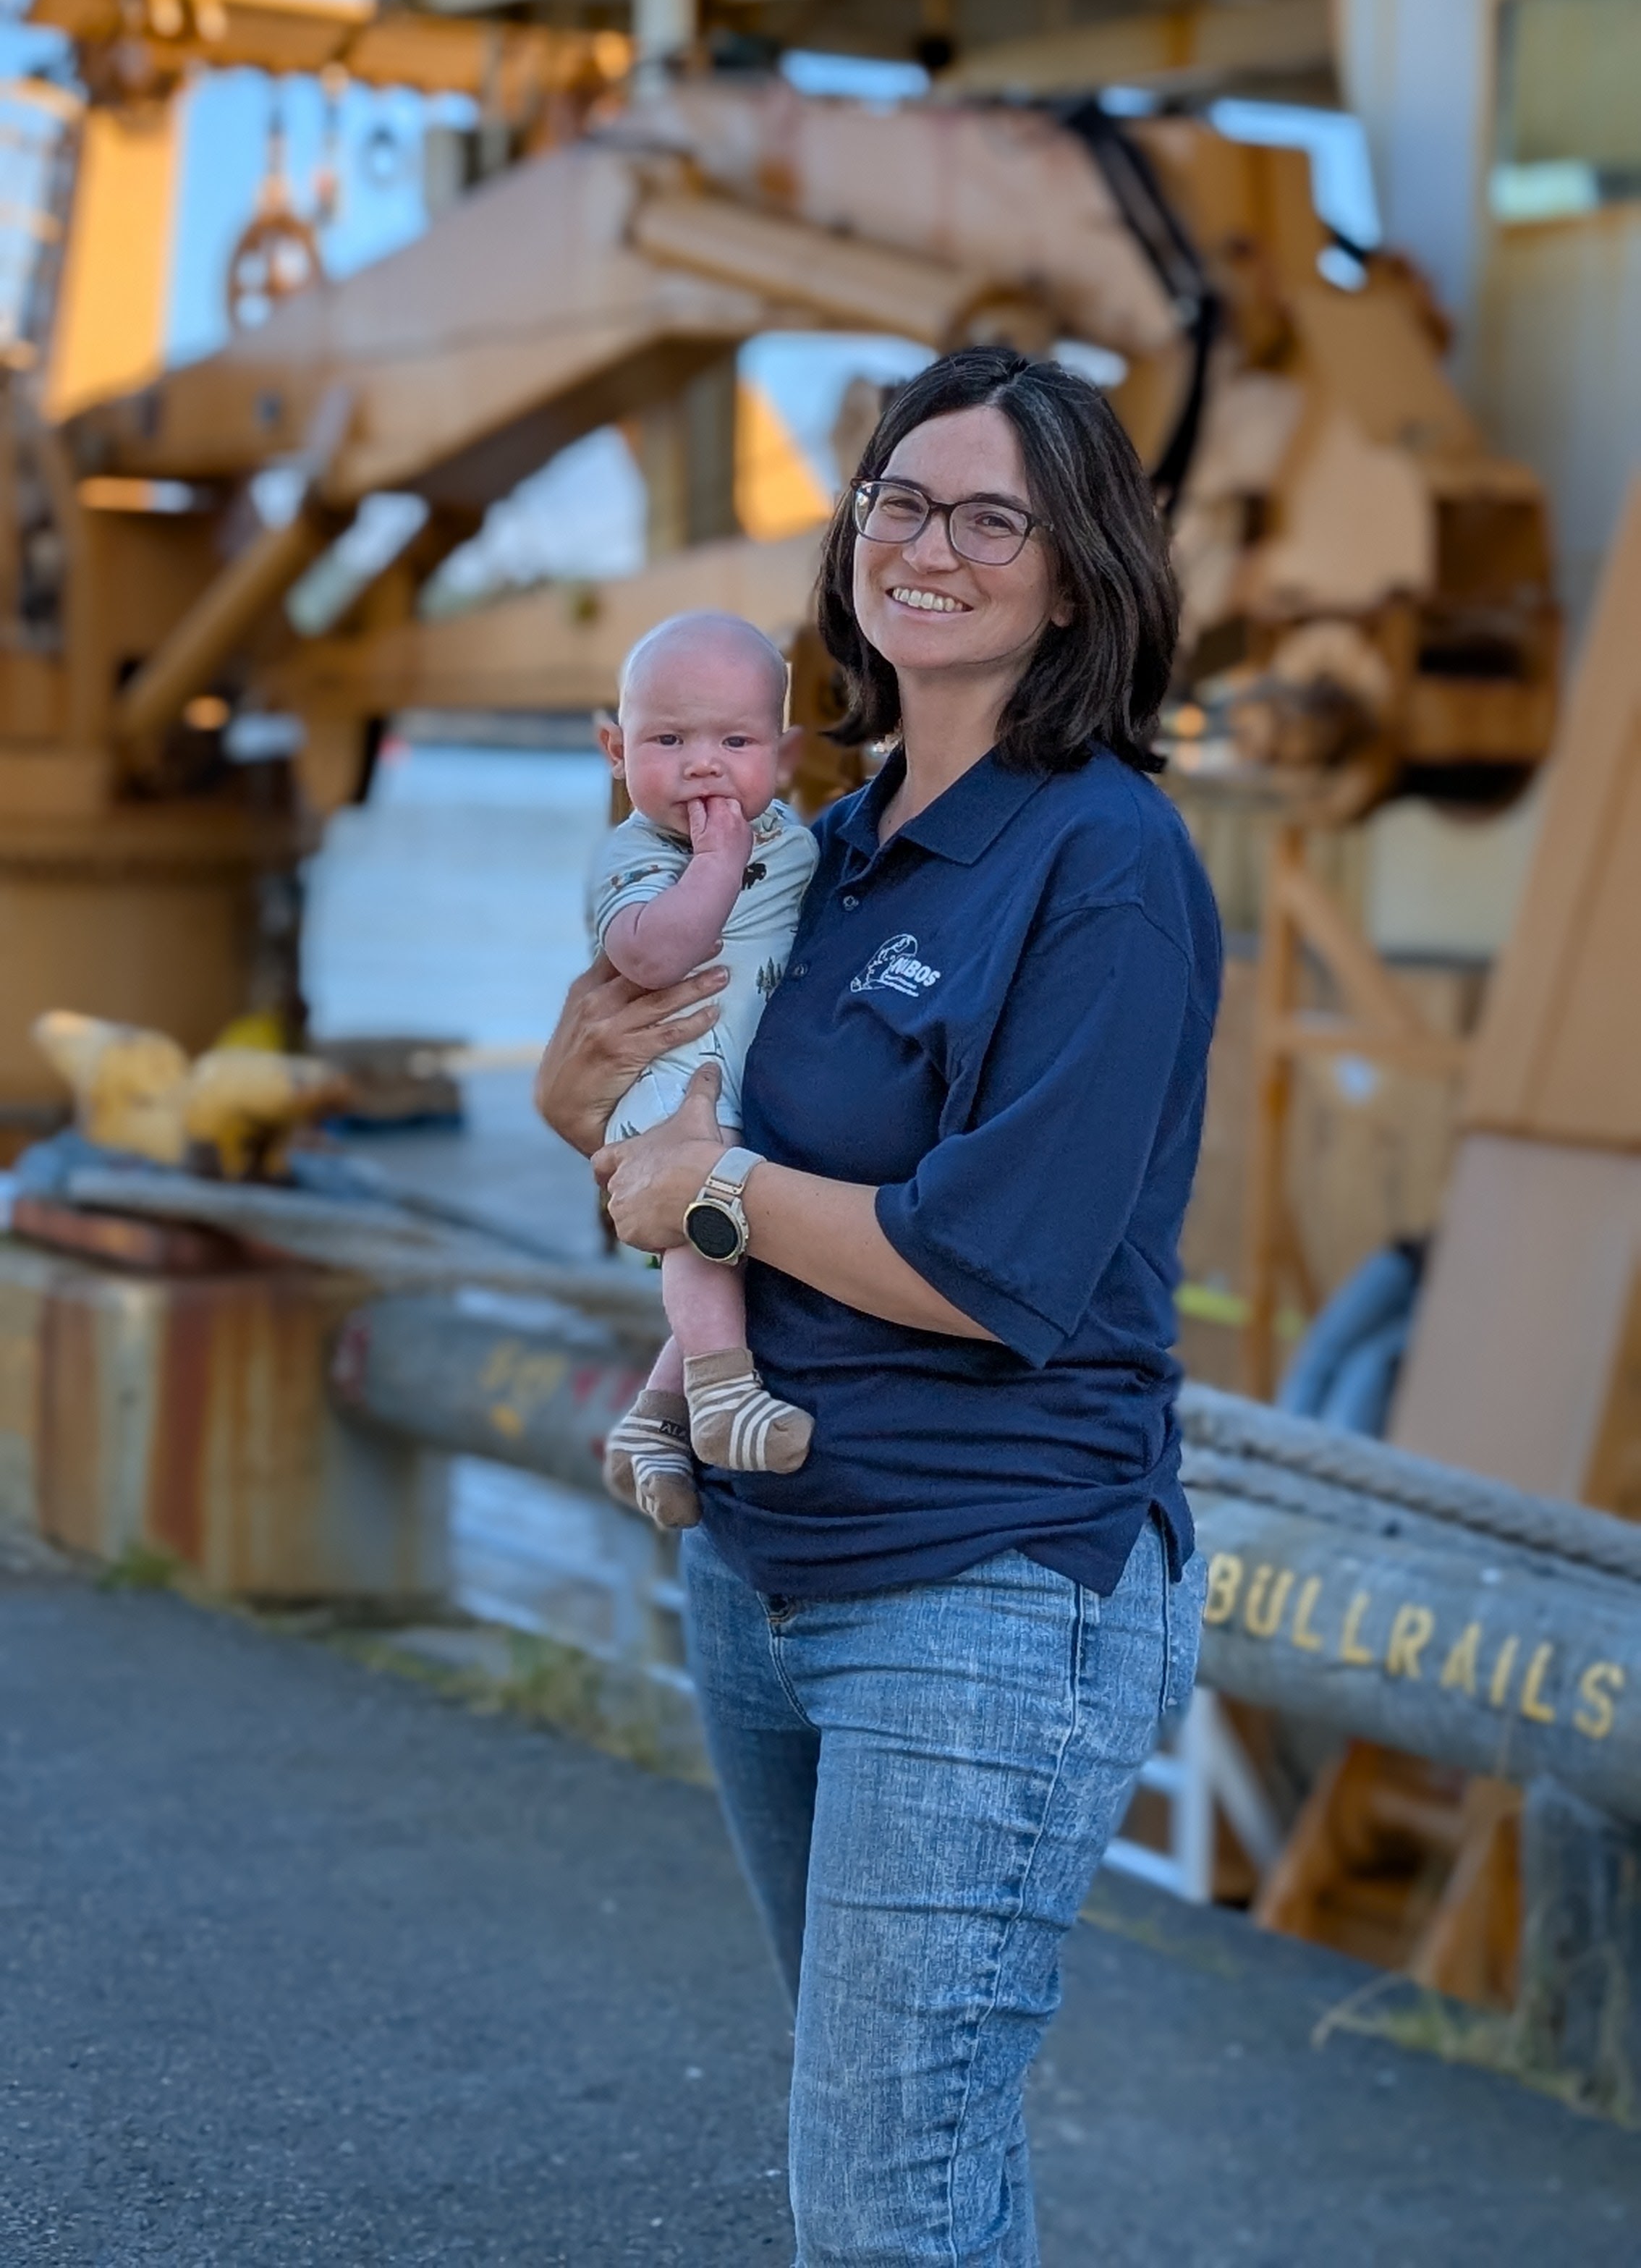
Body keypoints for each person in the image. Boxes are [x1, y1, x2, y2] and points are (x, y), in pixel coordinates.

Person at [535, 348, 1219, 2268]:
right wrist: (582, 1100)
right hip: (763, 1573)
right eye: (897, 503)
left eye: (989, 515)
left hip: (981, 1588)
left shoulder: (1103, 867)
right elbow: (633, 1128)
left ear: (1074, 576)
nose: (927, 545)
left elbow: (997, 1266)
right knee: (900, 2159)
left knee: (882, 2198)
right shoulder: (812, 852)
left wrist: (716, 1196)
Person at [591, 612, 818, 1525]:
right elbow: (650, 956)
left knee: (738, 1230)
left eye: (735, 740)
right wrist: (717, 867)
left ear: (785, 754)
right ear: (616, 751)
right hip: (671, 1090)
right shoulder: (639, 857)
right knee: (706, 1208)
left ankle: (653, 1421)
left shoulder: (792, 840)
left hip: (741, 1085)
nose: (703, 764)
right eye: (668, 739)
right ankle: (723, 1396)